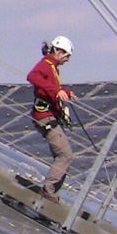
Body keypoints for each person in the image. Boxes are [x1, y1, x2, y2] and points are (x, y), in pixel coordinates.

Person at [27, 35, 77, 203]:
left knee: (63, 155)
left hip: (49, 116)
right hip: (44, 116)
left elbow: (52, 88)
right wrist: (57, 92)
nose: (67, 60)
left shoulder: (53, 68)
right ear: (59, 51)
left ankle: (51, 192)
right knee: (65, 155)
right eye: (67, 56)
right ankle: (49, 191)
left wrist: (65, 92)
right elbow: (32, 77)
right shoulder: (46, 66)